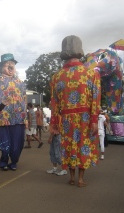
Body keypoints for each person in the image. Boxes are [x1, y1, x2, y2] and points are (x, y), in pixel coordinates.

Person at [50, 35, 100, 187]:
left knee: (68, 146)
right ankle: (80, 179)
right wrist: (94, 120)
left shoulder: (57, 76)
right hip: (85, 118)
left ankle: (71, 178)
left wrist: (54, 124)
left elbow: (54, 104)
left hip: (66, 120)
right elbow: (95, 100)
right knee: (83, 146)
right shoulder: (91, 74)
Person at [0, 53, 27, 171]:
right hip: (2, 119)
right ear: (1, 67)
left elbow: (24, 101)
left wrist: (26, 118)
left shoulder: (21, 83)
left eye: (12, 64)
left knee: (18, 145)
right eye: (7, 64)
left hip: (19, 119)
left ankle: (14, 162)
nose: (10, 66)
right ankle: (3, 161)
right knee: (5, 145)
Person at [46, 102, 67, 176]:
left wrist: (50, 137)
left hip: (57, 136)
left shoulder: (57, 116)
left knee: (58, 153)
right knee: (52, 152)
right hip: (55, 136)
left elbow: (56, 129)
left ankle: (64, 168)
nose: (49, 105)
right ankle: (54, 168)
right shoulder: (53, 115)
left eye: (50, 104)